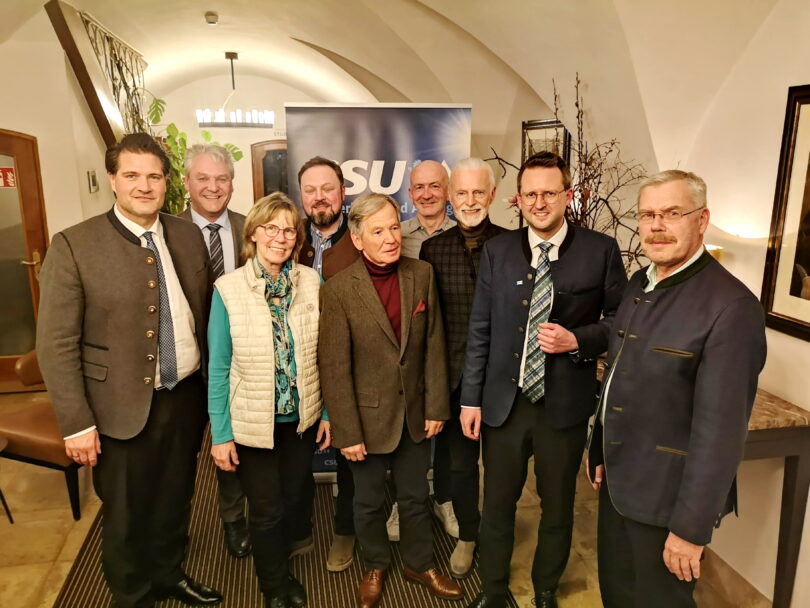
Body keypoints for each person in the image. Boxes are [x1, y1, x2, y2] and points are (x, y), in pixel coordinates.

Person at [36, 133, 222, 608]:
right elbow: (56, 344)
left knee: (175, 497)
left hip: (185, 395)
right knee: (125, 513)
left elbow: (203, 314)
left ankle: (168, 574)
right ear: (113, 180)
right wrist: (76, 423)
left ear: (167, 183)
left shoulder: (186, 235)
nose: (144, 186)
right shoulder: (74, 245)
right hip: (117, 407)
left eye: (154, 176)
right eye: (132, 175)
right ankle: (133, 595)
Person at [587, 170, 767, 607]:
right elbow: (618, 375)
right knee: (617, 594)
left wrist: (690, 529)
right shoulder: (639, 282)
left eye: (671, 213)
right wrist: (599, 450)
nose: (657, 226)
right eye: (647, 215)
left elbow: (720, 435)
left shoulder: (732, 308)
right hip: (619, 483)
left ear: (701, 220)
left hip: (667, 501)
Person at [460, 151, 628, 608]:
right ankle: (493, 590)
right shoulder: (497, 252)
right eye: (530, 194)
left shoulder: (600, 250)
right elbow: (481, 329)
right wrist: (471, 400)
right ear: (517, 199)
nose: (539, 203)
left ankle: (545, 589)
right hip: (505, 405)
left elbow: (621, 323)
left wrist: (577, 339)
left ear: (567, 196)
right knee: (497, 505)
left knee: (557, 507)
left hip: (564, 407)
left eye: (549, 193)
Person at [319, 193, 463, 608]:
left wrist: (436, 406)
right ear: (358, 239)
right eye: (378, 231)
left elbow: (433, 344)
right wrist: (347, 431)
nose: (390, 238)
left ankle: (420, 564)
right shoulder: (339, 289)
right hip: (365, 421)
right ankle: (376, 565)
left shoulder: (421, 274)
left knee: (415, 498)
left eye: (394, 227)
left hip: (414, 414)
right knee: (366, 503)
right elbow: (334, 367)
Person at [208, 192, 331, 608]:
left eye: (289, 230)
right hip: (251, 424)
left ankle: (285, 554)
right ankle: (274, 587)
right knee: (266, 510)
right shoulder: (227, 289)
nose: (280, 237)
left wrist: (326, 412)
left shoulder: (311, 282)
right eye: (271, 228)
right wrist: (221, 434)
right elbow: (219, 368)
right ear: (253, 234)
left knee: (295, 497)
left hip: (300, 420)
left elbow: (325, 354)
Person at [420, 157, 508, 578]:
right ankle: (468, 536)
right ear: (450, 197)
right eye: (462, 193)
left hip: (504, 381)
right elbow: (430, 325)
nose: (470, 201)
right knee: (460, 466)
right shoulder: (433, 250)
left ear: (492, 195)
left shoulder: (514, 245)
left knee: (504, 470)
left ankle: (499, 537)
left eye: (478, 192)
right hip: (456, 380)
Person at [179, 143, 251, 559]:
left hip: (239, 362)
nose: (213, 186)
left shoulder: (250, 228)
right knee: (180, 454)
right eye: (203, 178)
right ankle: (174, 528)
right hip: (184, 367)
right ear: (187, 182)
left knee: (232, 445)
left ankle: (234, 519)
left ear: (232, 184)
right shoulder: (166, 231)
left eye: (221, 178)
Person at [295, 156, 360, 572]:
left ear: (342, 192)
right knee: (296, 450)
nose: (319, 198)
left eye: (327, 189)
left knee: (350, 451)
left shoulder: (360, 236)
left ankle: (345, 530)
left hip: (350, 362)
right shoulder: (288, 236)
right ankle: (299, 528)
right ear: (302, 196)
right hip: (298, 364)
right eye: (310, 190)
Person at [400, 160, 456, 259]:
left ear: (448, 192)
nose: (426, 196)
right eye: (419, 187)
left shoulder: (463, 236)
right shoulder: (397, 235)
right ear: (411, 194)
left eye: (434, 186)